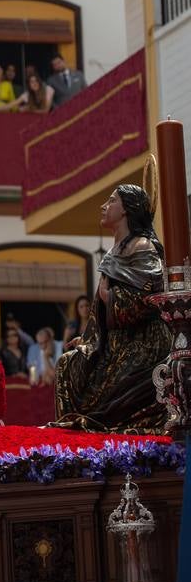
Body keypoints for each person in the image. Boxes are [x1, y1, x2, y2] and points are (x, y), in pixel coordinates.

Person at [53, 184, 170, 432]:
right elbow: (98, 309)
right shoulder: (112, 252)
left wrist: (112, 297)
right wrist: (87, 339)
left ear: (127, 209)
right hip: (114, 342)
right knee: (68, 364)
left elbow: (153, 294)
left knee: (108, 393)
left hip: (143, 342)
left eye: (111, 201)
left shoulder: (143, 247)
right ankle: (69, 434)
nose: (104, 206)